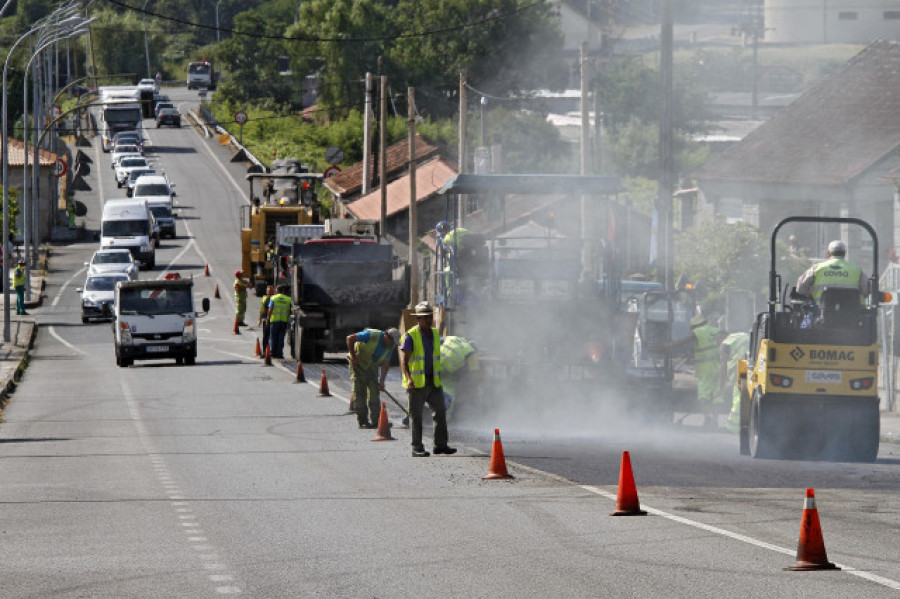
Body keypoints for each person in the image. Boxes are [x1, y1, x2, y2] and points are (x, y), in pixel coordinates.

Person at [400, 301, 456, 457]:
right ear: (417, 319)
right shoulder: (411, 336)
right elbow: (404, 360)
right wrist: (409, 379)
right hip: (417, 384)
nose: (427, 319)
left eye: (429, 316)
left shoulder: (436, 334)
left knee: (440, 413)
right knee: (416, 417)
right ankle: (417, 447)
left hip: (434, 382)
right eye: (423, 317)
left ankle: (441, 445)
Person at [347, 328, 401, 429]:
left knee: (374, 394)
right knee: (360, 393)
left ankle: (377, 421)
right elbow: (350, 338)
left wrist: (381, 382)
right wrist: (353, 357)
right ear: (387, 336)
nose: (392, 344)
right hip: (358, 363)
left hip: (372, 366)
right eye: (392, 341)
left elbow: (386, 364)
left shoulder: (391, 346)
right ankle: (362, 421)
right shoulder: (372, 335)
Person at [796, 240, 866, 306]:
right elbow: (868, 290)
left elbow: (800, 289)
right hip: (853, 315)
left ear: (829, 253)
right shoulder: (857, 270)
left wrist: (809, 293)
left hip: (821, 315)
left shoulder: (816, 268)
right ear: (844, 253)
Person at [439, 335, 479, 420]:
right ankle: (445, 418)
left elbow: (438, 341)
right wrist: (475, 387)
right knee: (449, 391)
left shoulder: (454, 338)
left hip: (436, 362)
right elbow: (475, 373)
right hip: (447, 369)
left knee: (430, 386)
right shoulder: (471, 352)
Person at [720, 330, 751, 433]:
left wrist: (722, 386)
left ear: (721, 337)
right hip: (752, 365)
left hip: (742, 368)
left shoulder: (725, 343)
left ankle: (732, 427)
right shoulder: (739, 335)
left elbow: (723, 366)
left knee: (739, 398)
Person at [266, 284, 291, 359]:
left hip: (274, 321)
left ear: (277, 291)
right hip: (283, 321)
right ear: (283, 291)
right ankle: (280, 353)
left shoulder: (273, 298)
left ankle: (273, 353)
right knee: (281, 337)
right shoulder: (288, 299)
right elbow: (291, 311)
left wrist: (268, 319)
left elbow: (270, 310)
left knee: (273, 337)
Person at [257, 284, 275, 358]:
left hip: (272, 320)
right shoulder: (264, 298)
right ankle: (265, 351)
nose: (269, 292)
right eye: (268, 291)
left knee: (272, 336)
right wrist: (259, 319)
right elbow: (261, 310)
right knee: (265, 336)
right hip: (265, 319)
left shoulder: (274, 298)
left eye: (271, 291)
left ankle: (271, 351)